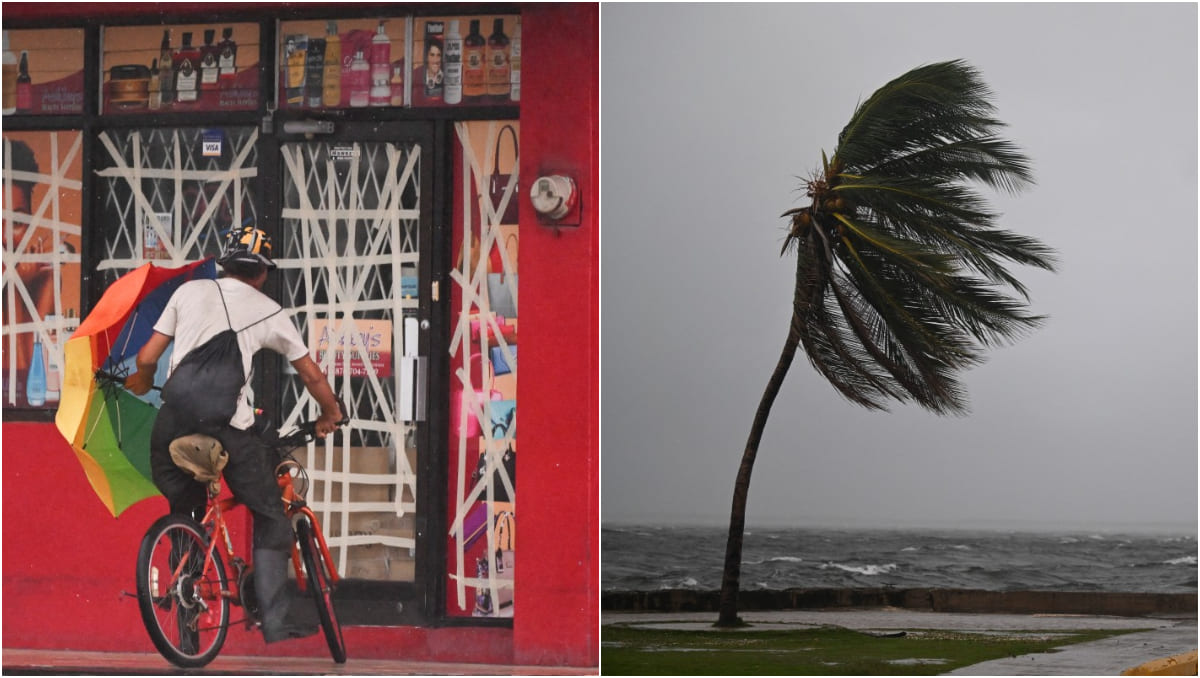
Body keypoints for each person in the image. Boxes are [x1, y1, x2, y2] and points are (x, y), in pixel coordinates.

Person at [125, 225, 343, 644]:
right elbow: (311, 375)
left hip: (171, 425)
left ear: (223, 264)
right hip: (226, 429)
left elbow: (148, 356)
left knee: (186, 514)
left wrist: (145, 379)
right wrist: (330, 413)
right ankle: (274, 621)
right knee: (270, 513)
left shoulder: (188, 291)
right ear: (261, 273)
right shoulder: (269, 311)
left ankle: (187, 626)